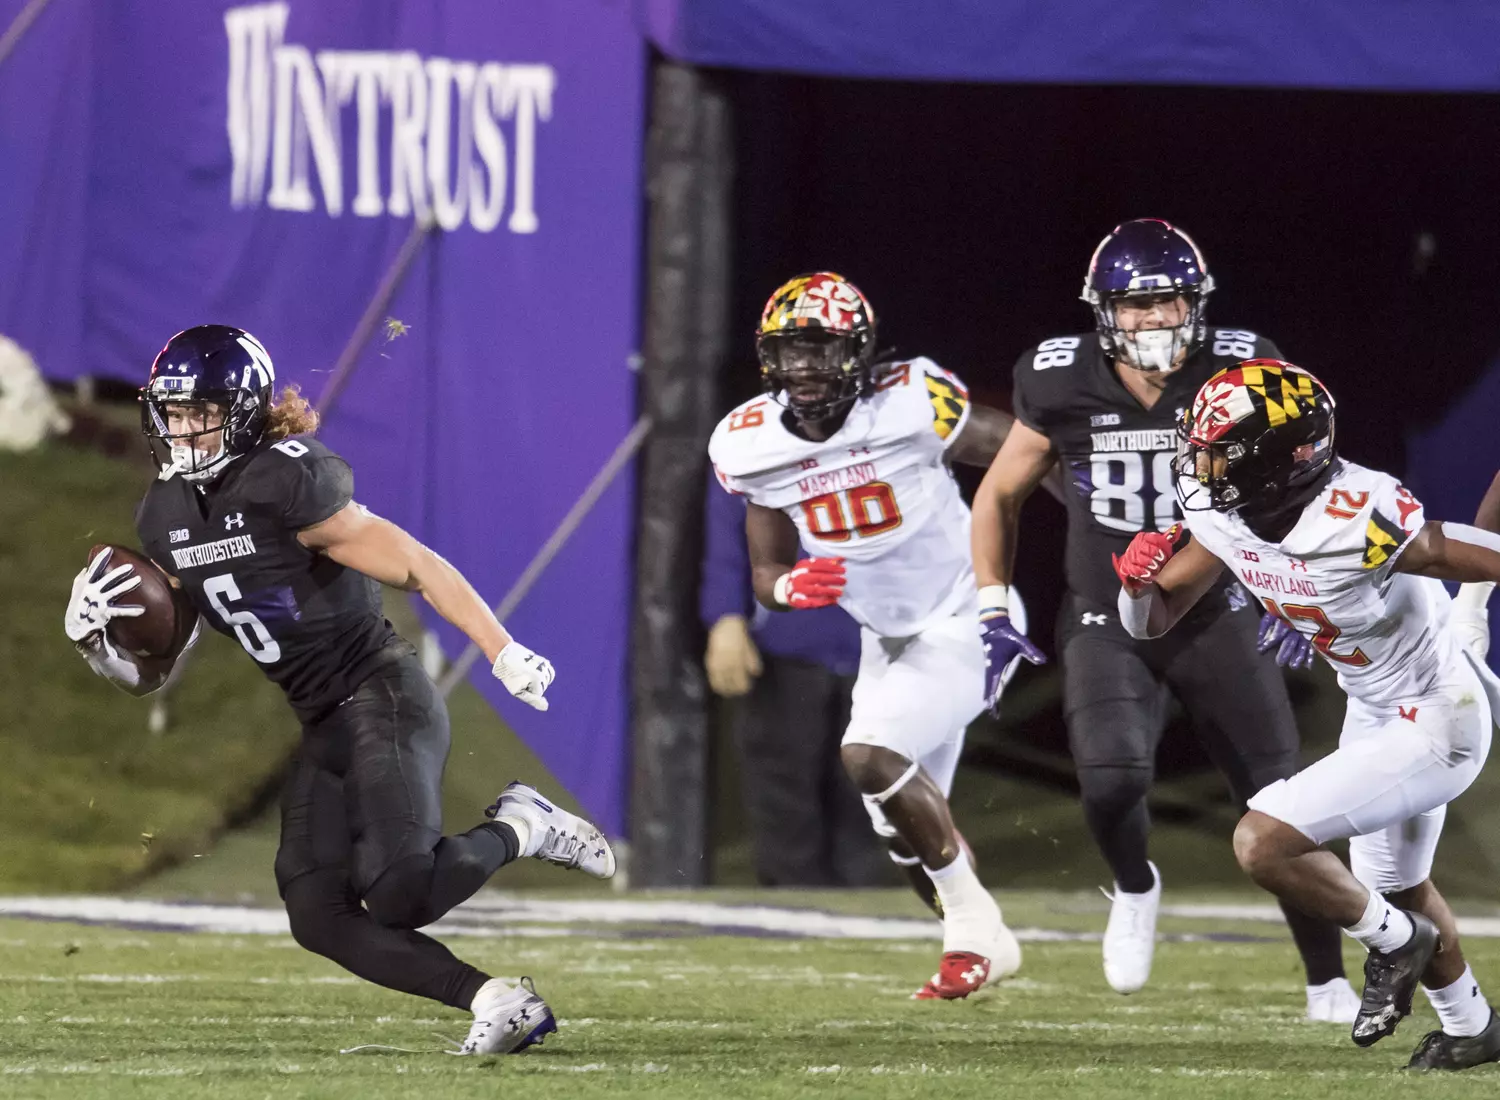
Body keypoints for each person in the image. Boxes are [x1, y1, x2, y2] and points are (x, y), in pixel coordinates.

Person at [61, 325, 613, 1056]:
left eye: (202, 413)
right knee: (317, 912)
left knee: (399, 893)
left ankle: (525, 826)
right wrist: (99, 645)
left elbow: (414, 564)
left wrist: (501, 649)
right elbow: (157, 669)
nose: (186, 430)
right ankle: (498, 1000)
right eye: (175, 413)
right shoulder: (162, 514)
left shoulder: (286, 479)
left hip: (380, 692)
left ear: (246, 411)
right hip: (322, 718)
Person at [970, 219, 1355, 1017]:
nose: (1154, 319)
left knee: (1282, 799)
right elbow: (1000, 492)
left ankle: (1328, 979)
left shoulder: (1246, 364)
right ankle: (1136, 885)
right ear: (1104, 311)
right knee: (1110, 782)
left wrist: (1290, 586)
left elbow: (1302, 485)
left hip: (1217, 607)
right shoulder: (1059, 378)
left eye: (1169, 301)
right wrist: (993, 600)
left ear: (1197, 303)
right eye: (1136, 305)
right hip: (1107, 614)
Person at [1117, 358, 1500, 1069]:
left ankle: (1396, 942)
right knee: (1395, 883)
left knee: (1263, 842)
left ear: (1278, 458)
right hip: (1374, 705)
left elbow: (1467, 551)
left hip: (1438, 715)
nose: (1200, 462)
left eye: (1221, 448)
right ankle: (1474, 1025)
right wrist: (1137, 585)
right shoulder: (1221, 511)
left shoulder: (1356, 516)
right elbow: (1153, 618)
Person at [708, 272, 1043, 1000]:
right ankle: (989, 940)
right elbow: (766, 567)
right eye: (791, 351)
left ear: (860, 353)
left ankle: (969, 931)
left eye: (823, 349)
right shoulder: (748, 443)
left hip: (969, 616)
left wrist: (1102, 551)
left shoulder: (911, 401)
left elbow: (1029, 453)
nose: (805, 367)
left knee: (868, 754)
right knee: (904, 831)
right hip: (886, 640)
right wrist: (790, 589)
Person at [700, 467, 885, 887]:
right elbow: (727, 534)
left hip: (879, 646)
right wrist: (725, 617)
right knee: (784, 799)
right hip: (787, 645)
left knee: (871, 799)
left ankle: (870, 919)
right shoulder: (754, 446)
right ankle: (795, 917)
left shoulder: (897, 435)